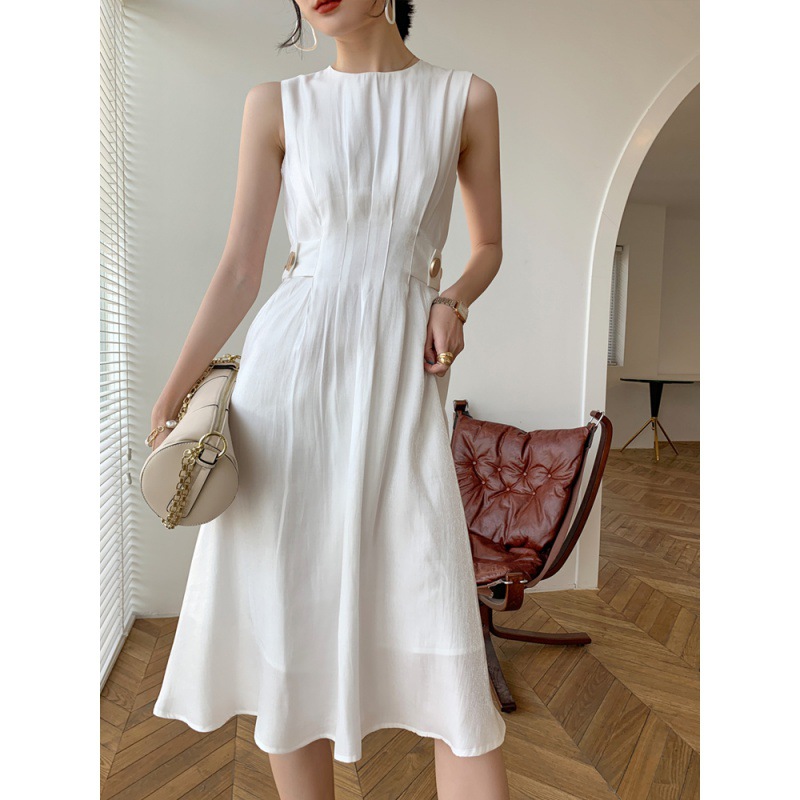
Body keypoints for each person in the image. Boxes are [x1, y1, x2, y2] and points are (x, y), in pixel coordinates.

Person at [147, 1, 508, 798]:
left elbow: (488, 245)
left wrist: (453, 299)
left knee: (438, 617)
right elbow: (242, 267)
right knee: (292, 614)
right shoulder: (275, 104)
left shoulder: (466, 98)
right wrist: (177, 385)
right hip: (287, 384)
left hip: (400, 377)